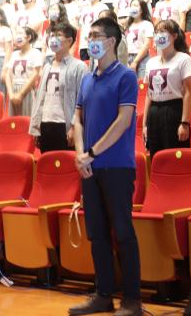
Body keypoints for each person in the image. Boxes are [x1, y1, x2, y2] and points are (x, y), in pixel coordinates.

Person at [70, 17, 142, 316]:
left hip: (116, 167)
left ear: (111, 41)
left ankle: (132, 300)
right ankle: (103, 295)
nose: (91, 41)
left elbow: (123, 121)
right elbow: (77, 120)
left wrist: (92, 153)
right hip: (89, 167)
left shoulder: (126, 76)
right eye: (89, 35)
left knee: (122, 232)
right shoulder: (87, 79)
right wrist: (81, 155)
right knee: (97, 234)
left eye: (96, 35)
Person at [30, 22, 87, 153]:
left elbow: (82, 100)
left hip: (65, 125)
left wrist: (74, 127)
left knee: (66, 163)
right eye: (52, 35)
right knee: (47, 163)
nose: (53, 39)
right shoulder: (47, 66)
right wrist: (36, 128)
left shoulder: (79, 67)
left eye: (58, 35)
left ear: (69, 40)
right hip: (45, 123)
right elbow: (40, 99)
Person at [142, 20, 191, 157]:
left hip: (174, 111)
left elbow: (188, 93)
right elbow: (149, 94)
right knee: (156, 156)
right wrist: (144, 124)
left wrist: (184, 123)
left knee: (175, 156)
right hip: (154, 112)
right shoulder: (151, 62)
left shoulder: (183, 59)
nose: (159, 35)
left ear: (174, 36)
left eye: (163, 32)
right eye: (157, 32)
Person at [4, 27, 43, 117]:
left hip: (27, 90)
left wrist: (21, 94)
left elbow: (35, 73)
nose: (18, 36)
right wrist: (11, 95)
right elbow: (7, 74)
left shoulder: (35, 52)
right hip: (13, 91)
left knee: (27, 120)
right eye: (16, 34)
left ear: (28, 37)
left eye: (20, 33)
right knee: (14, 121)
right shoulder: (14, 54)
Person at [125, 0, 154, 79]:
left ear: (142, 10)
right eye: (131, 5)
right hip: (128, 58)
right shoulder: (128, 25)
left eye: (136, 5)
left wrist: (135, 61)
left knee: (141, 82)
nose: (133, 7)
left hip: (142, 58)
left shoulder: (147, 24)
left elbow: (147, 45)